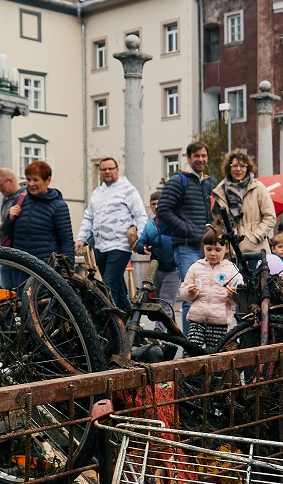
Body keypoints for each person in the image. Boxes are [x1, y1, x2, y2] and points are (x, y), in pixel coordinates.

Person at [78, 156, 148, 309]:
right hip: (100, 246)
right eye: (104, 169)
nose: (107, 171)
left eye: (111, 168)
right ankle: (128, 319)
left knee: (109, 285)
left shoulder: (128, 190)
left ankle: (111, 323)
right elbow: (88, 216)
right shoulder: (97, 193)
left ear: (117, 170)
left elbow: (140, 215)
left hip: (120, 246)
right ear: (100, 171)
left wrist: (141, 240)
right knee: (116, 285)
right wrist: (80, 238)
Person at [157, 143, 212, 328]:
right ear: (188, 158)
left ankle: (199, 339)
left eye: (204, 156)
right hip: (186, 247)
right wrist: (187, 229)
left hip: (202, 247)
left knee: (204, 295)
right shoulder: (178, 180)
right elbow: (163, 210)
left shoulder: (205, 183)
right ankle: (190, 345)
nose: (201, 159)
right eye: (196, 156)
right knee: (191, 295)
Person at [177, 227, 239, 350]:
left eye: (217, 250)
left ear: (226, 249)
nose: (212, 253)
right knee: (191, 350)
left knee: (214, 353)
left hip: (219, 321)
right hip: (196, 319)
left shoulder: (232, 270)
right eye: (208, 249)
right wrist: (190, 292)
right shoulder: (196, 267)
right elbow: (183, 291)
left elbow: (238, 299)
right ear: (203, 247)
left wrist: (233, 295)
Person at [10, 160, 73, 260]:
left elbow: (66, 241)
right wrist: (10, 219)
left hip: (44, 268)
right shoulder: (19, 200)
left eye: (35, 180)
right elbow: (7, 233)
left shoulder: (58, 206)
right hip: (19, 266)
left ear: (48, 180)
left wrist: (67, 270)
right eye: (28, 179)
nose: (31, 184)